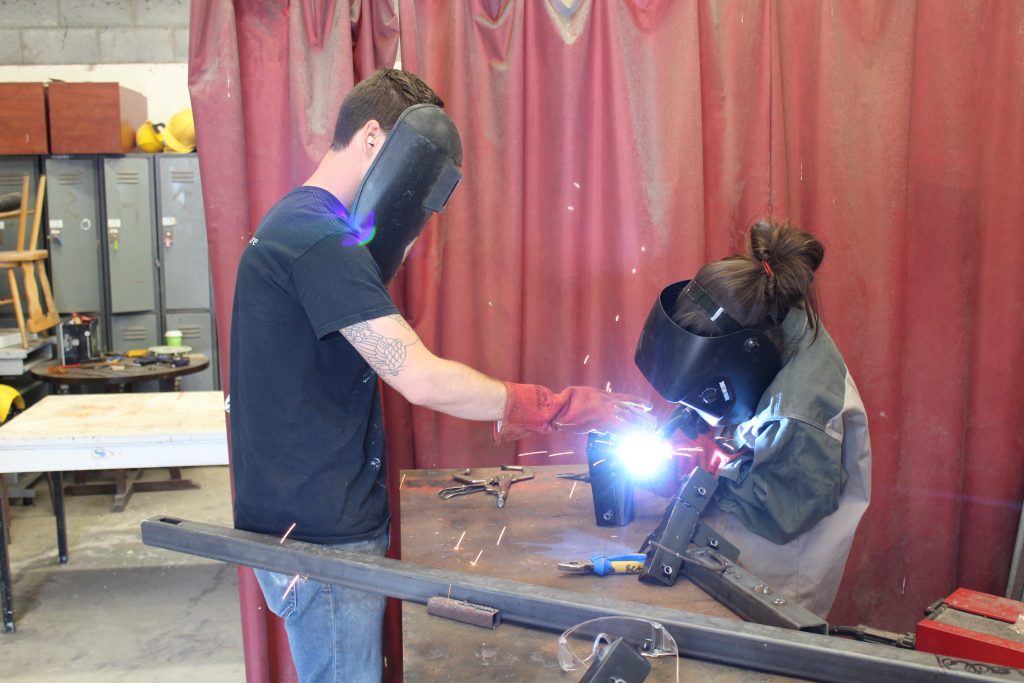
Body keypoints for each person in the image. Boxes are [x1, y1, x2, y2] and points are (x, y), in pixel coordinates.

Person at [228, 68, 652, 683]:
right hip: (320, 536)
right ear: (373, 138)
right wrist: (556, 406)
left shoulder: (300, 222)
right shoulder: (320, 241)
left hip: (309, 517)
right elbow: (419, 378)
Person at [634, 219, 871, 617]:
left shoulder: (799, 409)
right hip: (735, 541)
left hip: (778, 571)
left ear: (747, 350)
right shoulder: (765, 315)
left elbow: (780, 512)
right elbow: (726, 387)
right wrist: (686, 421)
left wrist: (695, 469)